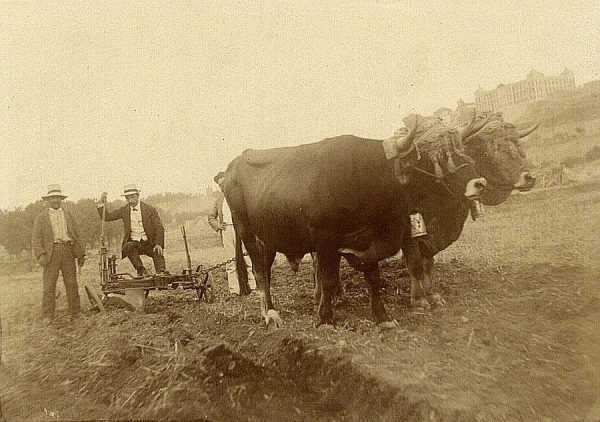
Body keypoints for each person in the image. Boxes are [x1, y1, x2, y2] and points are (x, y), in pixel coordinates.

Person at [32, 185, 86, 323]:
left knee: (71, 283)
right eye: (52, 198)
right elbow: (36, 239)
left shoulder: (69, 215)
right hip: (51, 254)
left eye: (57, 198)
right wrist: (41, 255)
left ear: (61, 199)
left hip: (68, 250)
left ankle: (75, 312)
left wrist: (81, 254)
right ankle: (47, 315)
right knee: (49, 285)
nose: (55, 200)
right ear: (48, 200)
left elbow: (78, 234)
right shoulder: (41, 218)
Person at [97, 184, 165, 277]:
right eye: (127, 198)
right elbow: (107, 217)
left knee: (157, 250)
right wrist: (102, 203)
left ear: (138, 195)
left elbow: (159, 227)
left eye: (132, 197)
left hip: (150, 243)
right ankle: (141, 271)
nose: (130, 200)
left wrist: (158, 243)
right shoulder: (124, 210)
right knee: (128, 246)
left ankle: (161, 273)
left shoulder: (150, 209)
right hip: (135, 244)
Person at [208, 172, 256, 295]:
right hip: (227, 231)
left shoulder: (239, 196)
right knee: (230, 262)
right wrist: (219, 226)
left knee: (248, 258)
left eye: (224, 183)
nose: (222, 187)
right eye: (220, 185)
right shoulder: (219, 200)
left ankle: (254, 287)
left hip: (241, 230)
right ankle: (234, 291)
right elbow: (211, 217)